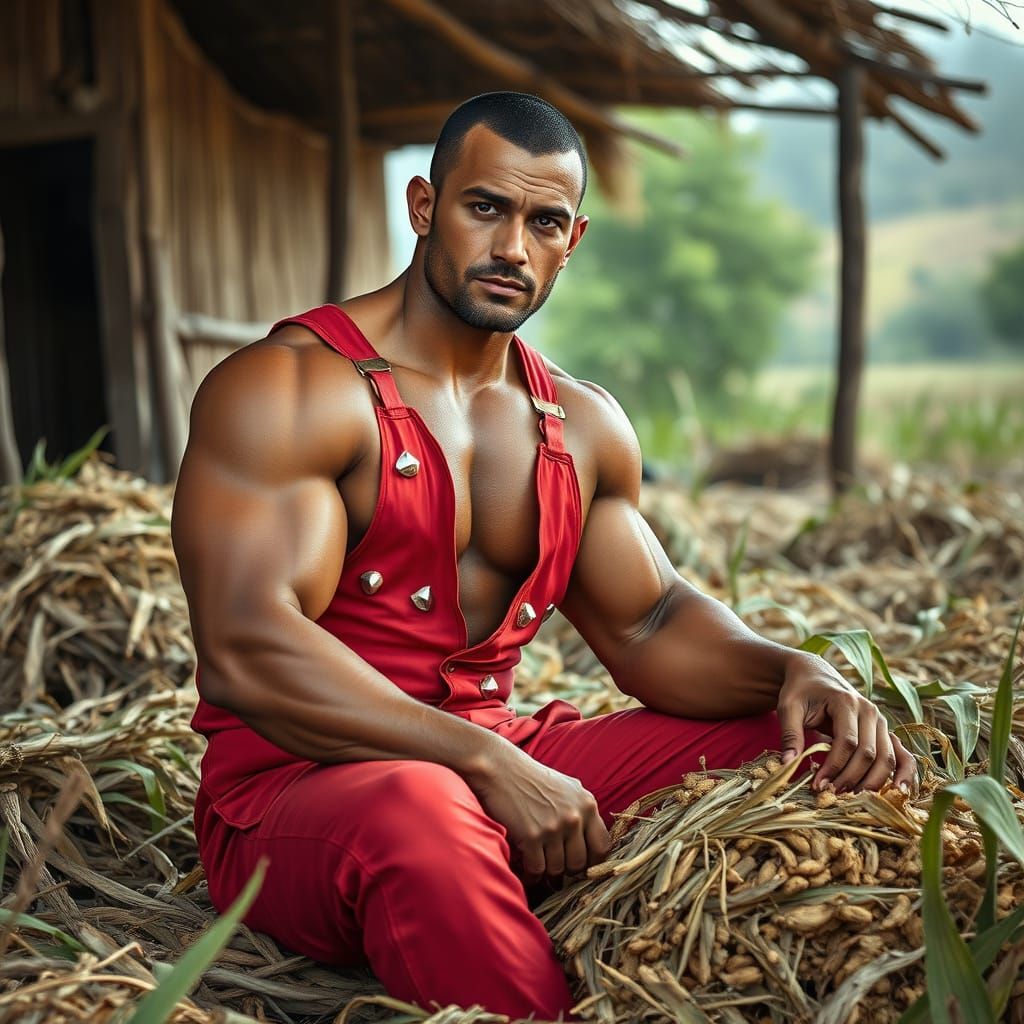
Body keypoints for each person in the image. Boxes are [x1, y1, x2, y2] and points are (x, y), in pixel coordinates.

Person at [171, 91, 919, 1020]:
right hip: (300, 794)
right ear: (423, 207)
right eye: (486, 208)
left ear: (575, 239)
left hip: (495, 757)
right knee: (420, 814)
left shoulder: (583, 423)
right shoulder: (288, 390)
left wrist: (790, 671)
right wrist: (485, 766)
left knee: (807, 749)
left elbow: (647, 624)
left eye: (544, 222)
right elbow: (248, 647)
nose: (512, 248)